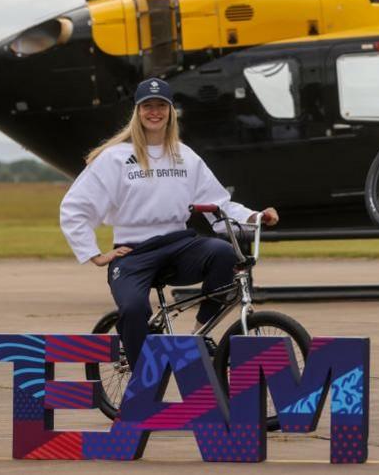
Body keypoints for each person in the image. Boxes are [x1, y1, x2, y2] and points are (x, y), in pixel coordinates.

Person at [59, 77, 278, 370]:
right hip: (134, 252)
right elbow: (74, 207)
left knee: (224, 254)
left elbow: (219, 206)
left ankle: (197, 335)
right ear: (137, 112)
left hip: (179, 246)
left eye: (161, 105)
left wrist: (255, 217)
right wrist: (95, 254)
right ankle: (141, 383)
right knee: (135, 308)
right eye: (147, 106)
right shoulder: (114, 158)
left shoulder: (185, 156)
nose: (154, 112)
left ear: (170, 111)